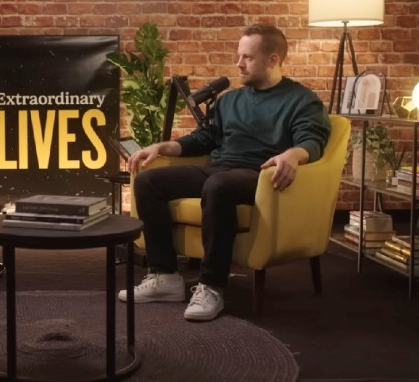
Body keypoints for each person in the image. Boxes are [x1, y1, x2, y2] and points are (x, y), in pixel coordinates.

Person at [119, 24, 331, 321]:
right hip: (220, 169)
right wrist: (162, 146)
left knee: (219, 185)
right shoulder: (229, 100)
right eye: (239, 55)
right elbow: (204, 139)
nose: (239, 63)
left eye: (248, 57)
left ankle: (211, 286)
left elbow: (313, 141)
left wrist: (293, 154)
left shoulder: (301, 100)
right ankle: (165, 277)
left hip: (261, 176)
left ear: (273, 59)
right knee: (148, 181)